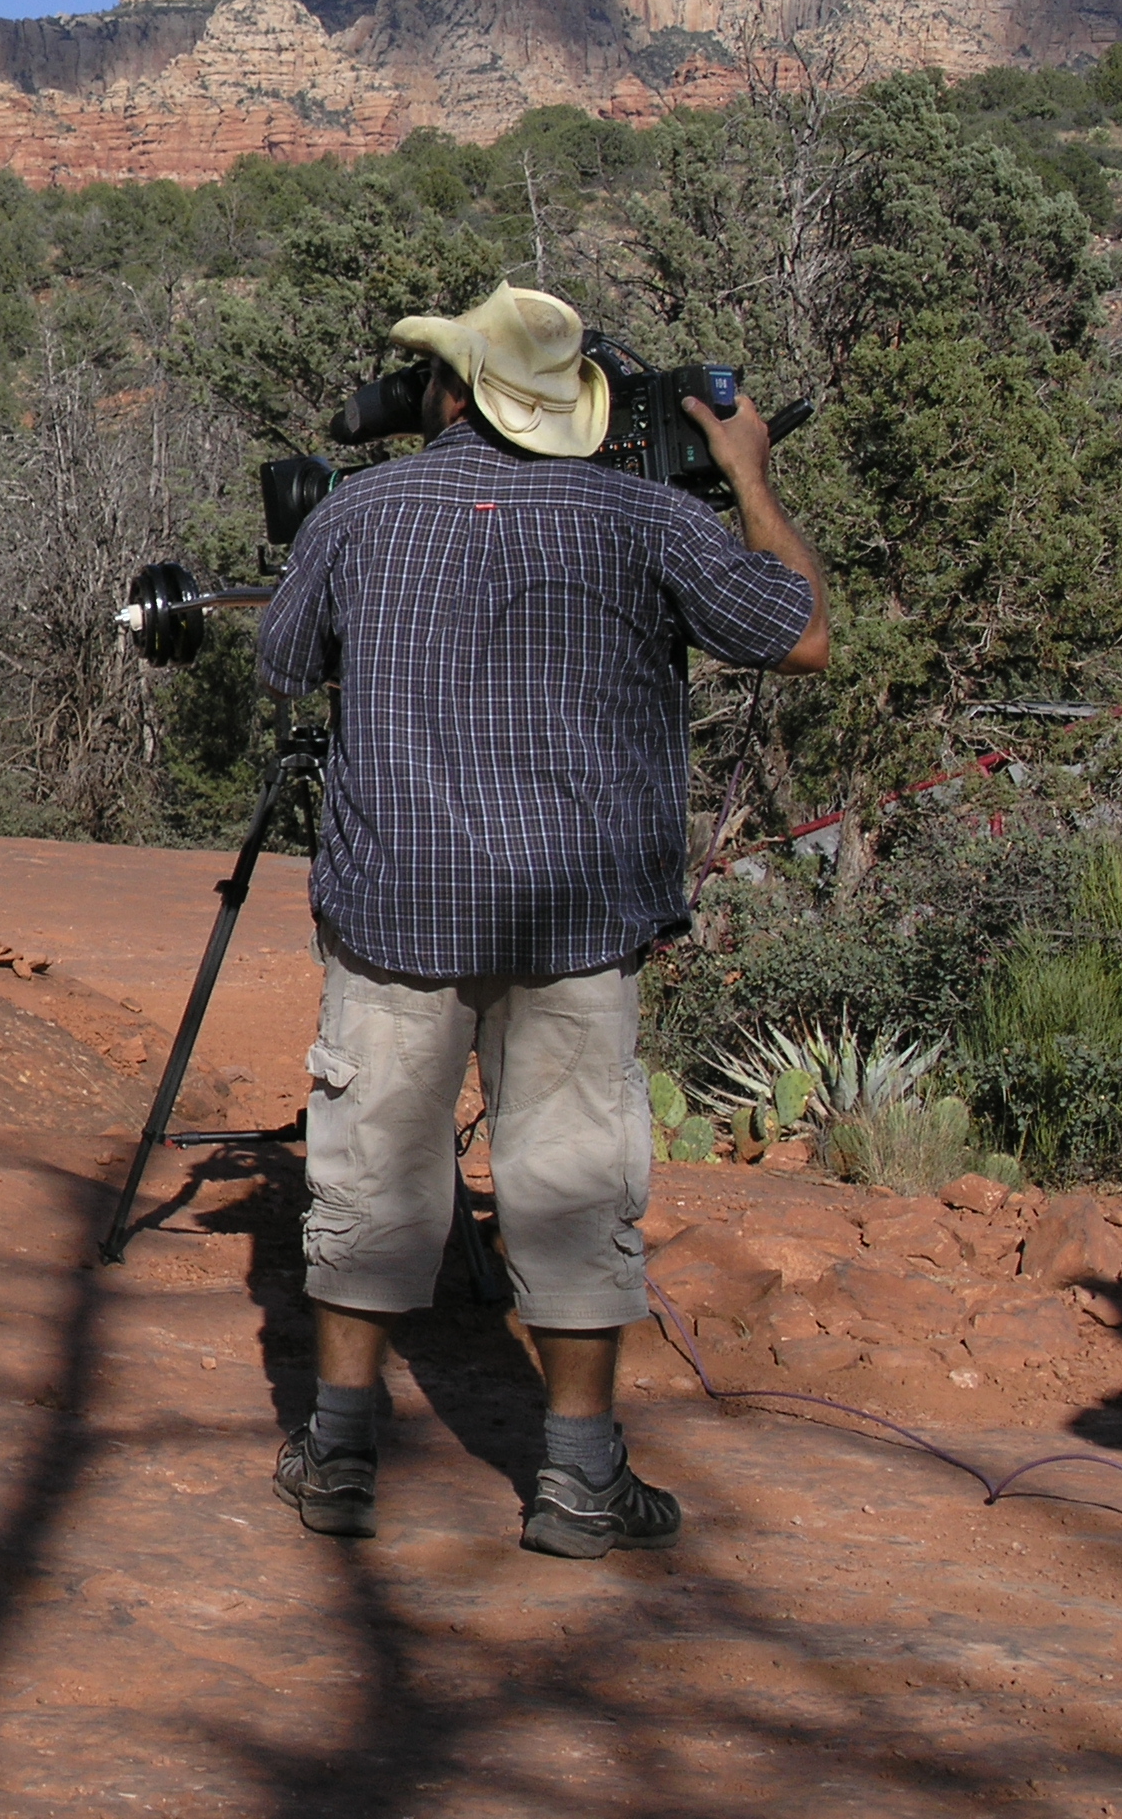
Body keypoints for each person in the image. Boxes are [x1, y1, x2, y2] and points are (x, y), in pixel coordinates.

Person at [254, 283, 829, 1559]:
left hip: (398, 906)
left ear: (452, 390)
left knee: (368, 1178)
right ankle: (578, 1477)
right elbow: (801, 637)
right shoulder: (649, 518)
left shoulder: (359, 513)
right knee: (573, 1187)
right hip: (581, 916)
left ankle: (340, 1455)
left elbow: (283, 664)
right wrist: (748, 475)